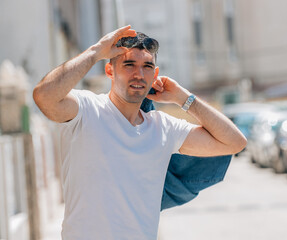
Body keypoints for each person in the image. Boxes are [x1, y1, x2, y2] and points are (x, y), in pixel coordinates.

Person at [33, 25, 247, 240]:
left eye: (147, 66)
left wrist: (183, 98)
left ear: (155, 74)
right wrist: (96, 52)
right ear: (110, 70)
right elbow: (44, 97)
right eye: (129, 64)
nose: (138, 74)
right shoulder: (86, 109)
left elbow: (234, 143)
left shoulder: (163, 127)